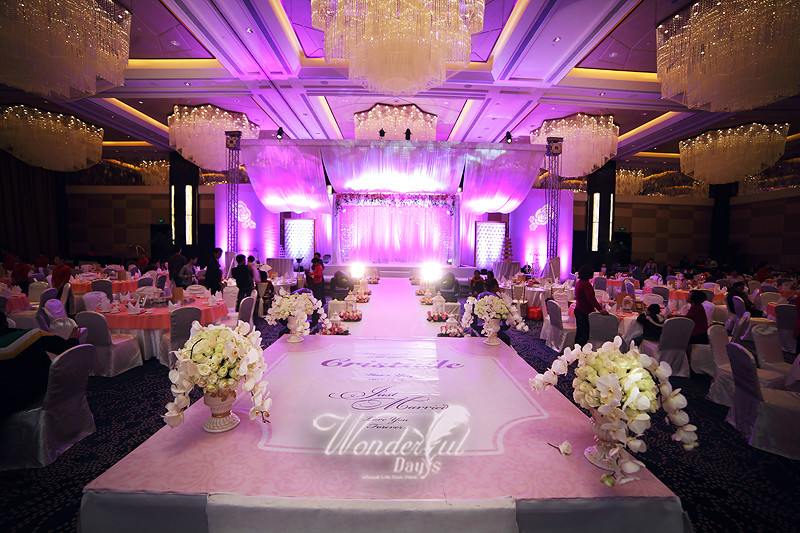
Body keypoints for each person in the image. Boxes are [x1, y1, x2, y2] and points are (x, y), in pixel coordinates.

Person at [0, 312, 81, 420]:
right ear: (6, 323)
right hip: (42, 392)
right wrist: (73, 338)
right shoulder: (32, 335)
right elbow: (67, 348)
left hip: (6, 406)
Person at [574, 265, 608, 346]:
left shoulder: (579, 282)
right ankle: (581, 350)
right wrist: (600, 309)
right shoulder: (586, 284)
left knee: (579, 333)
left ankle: (576, 350)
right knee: (585, 334)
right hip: (584, 311)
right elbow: (591, 299)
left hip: (578, 309)